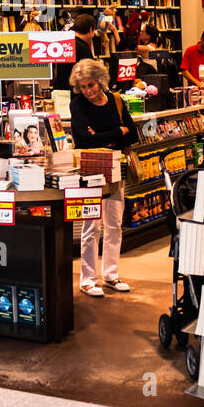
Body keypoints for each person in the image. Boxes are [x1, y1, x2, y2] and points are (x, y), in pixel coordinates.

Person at [68, 58, 139, 296]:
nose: (88, 91)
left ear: (100, 81)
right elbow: (84, 140)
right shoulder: (77, 104)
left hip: (116, 167)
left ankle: (111, 275)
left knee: (114, 223)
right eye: (83, 86)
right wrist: (117, 132)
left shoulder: (116, 101)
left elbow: (133, 135)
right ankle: (87, 279)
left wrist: (102, 136)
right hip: (90, 168)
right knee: (91, 225)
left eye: (91, 85)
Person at [51, 13, 97, 92]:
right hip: (75, 95)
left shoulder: (65, 43)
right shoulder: (83, 48)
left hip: (60, 93)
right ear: (90, 29)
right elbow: (90, 75)